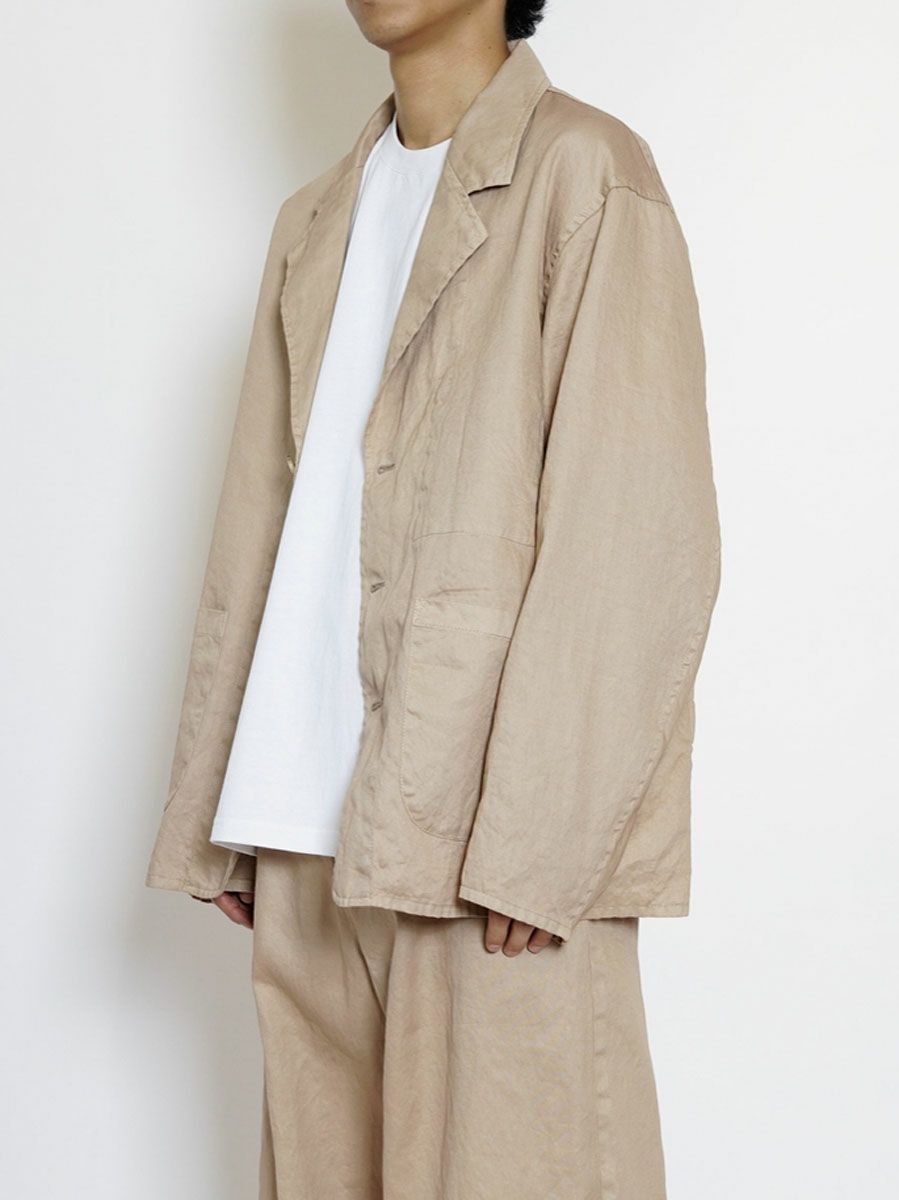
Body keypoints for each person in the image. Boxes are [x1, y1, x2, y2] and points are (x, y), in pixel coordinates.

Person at [146, 1, 721, 1196]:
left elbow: (636, 532)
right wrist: (221, 806)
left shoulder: (586, 173)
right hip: (301, 830)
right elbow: (259, 515)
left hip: (482, 844)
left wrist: (540, 845)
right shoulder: (313, 220)